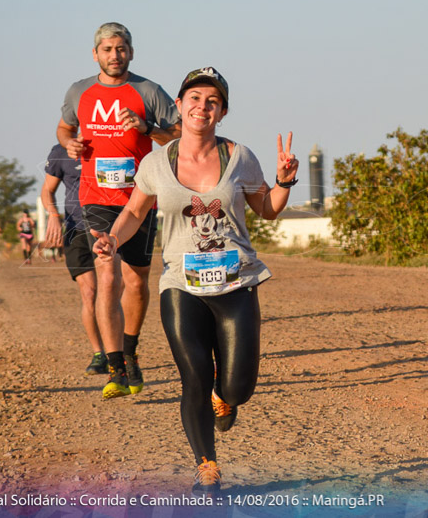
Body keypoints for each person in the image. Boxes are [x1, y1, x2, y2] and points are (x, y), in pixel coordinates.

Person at [92, 67, 298, 496]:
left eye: (212, 101)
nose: (202, 106)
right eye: (195, 98)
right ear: (181, 106)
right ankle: (207, 466)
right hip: (180, 284)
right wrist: (113, 239)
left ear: (221, 112)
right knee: (194, 377)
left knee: (238, 385)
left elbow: (268, 209)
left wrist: (283, 180)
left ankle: (226, 398)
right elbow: (133, 212)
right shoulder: (154, 163)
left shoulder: (240, 156)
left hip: (236, 282)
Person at [56, 22, 181, 399]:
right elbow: (63, 129)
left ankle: (130, 351)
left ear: (131, 51)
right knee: (107, 278)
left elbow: (178, 133)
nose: (115, 55)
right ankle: (115, 369)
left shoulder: (148, 91)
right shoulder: (79, 91)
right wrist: (70, 144)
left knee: (136, 281)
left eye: (122, 48)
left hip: (140, 198)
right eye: (108, 49)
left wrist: (148, 129)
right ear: (95, 54)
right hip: (95, 198)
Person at [41, 143, 108, 375]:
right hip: (75, 231)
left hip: (105, 227)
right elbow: (47, 190)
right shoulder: (61, 152)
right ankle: (99, 354)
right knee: (89, 292)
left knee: (109, 290)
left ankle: (120, 351)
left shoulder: (107, 144)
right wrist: (53, 215)